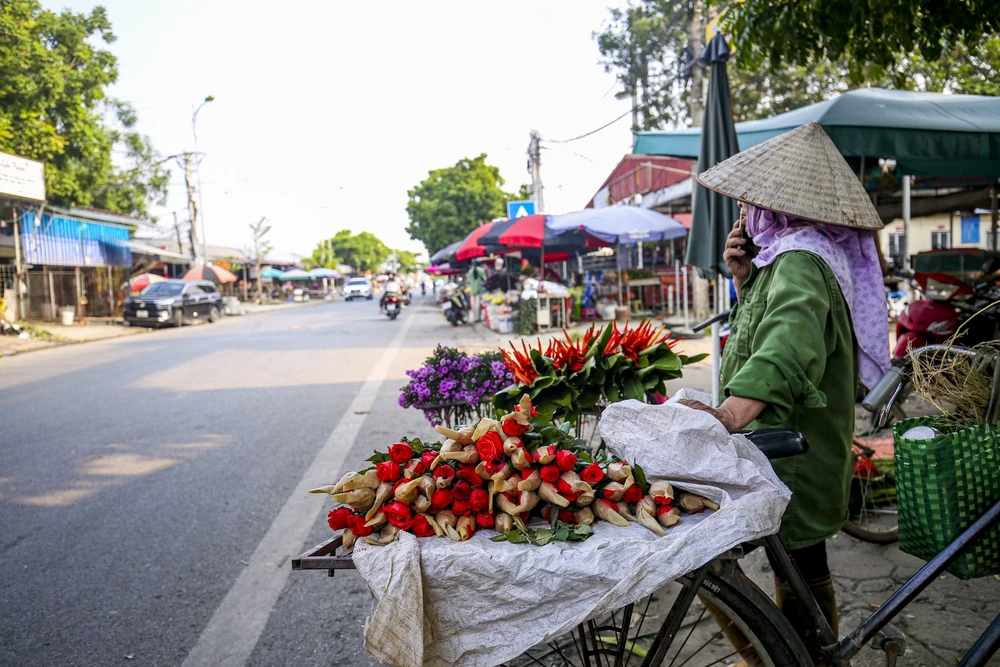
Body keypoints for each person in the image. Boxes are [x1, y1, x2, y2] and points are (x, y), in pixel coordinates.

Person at [683, 123, 890, 662]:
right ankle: (798, 656)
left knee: (721, 555)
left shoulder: (800, 260)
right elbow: (766, 327)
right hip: (789, 444)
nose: (745, 215)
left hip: (791, 449)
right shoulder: (787, 259)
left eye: (752, 204)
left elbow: (787, 349)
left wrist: (729, 413)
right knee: (798, 565)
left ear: (774, 208)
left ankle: (787, 658)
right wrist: (743, 276)